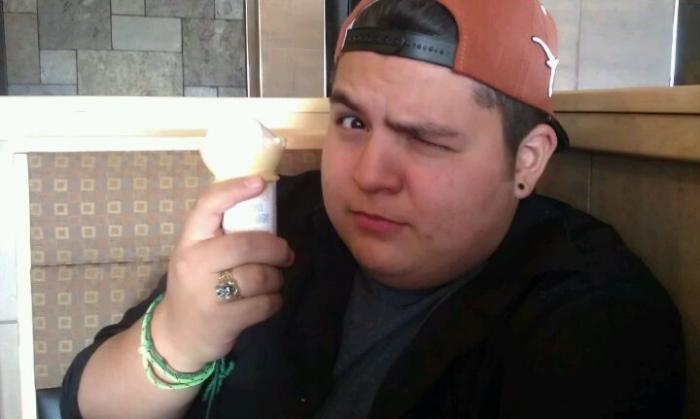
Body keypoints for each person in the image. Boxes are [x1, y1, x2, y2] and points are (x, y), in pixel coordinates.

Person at [61, 0, 686, 418]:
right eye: (353, 122)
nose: (367, 175)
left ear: (526, 160)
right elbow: (87, 402)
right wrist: (176, 338)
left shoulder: (591, 319)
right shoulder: (284, 217)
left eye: (425, 138)